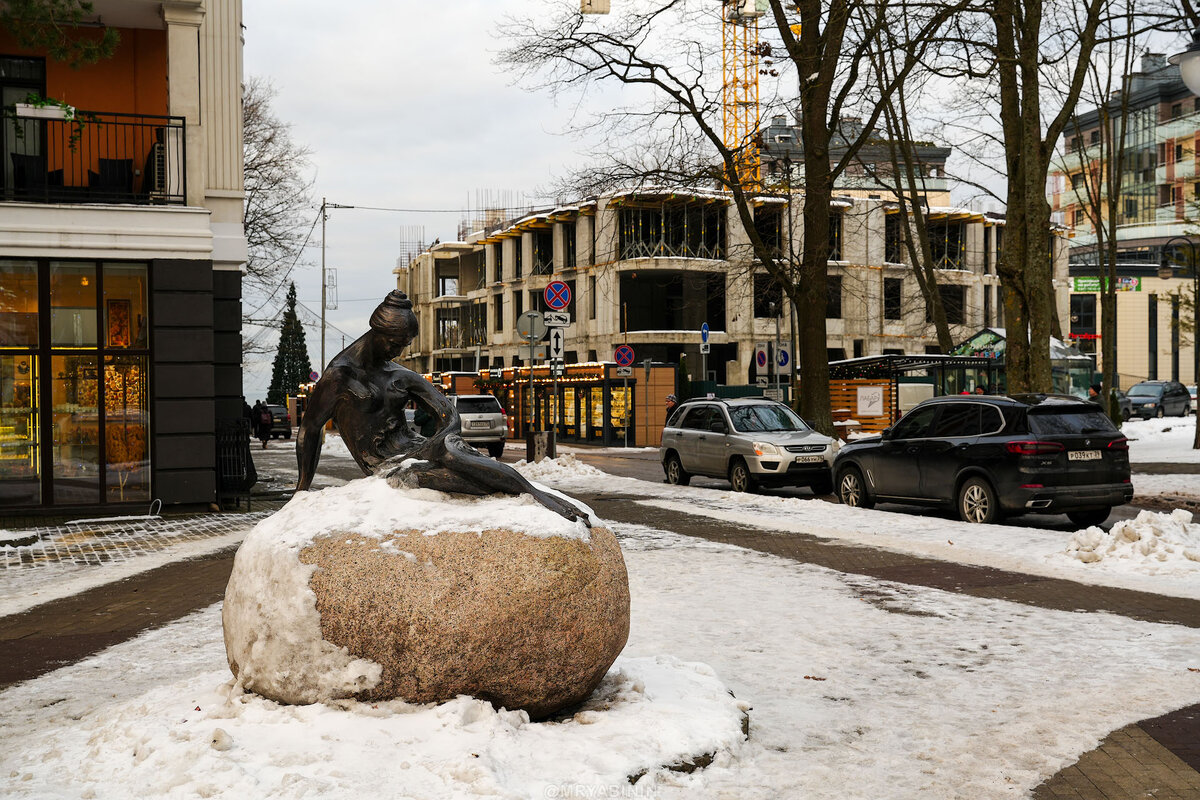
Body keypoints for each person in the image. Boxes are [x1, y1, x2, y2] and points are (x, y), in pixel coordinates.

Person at [295, 290, 588, 524]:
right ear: (378, 333)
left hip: (421, 450)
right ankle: (534, 496)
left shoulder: (397, 374)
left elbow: (448, 412)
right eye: (396, 343)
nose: (399, 351)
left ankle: (535, 496)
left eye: (405, 344)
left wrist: (438, 441)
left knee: (455, 454)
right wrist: (302, 489)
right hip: (387, 466)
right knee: (466, 475)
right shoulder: (340, 377)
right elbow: (309, 430)